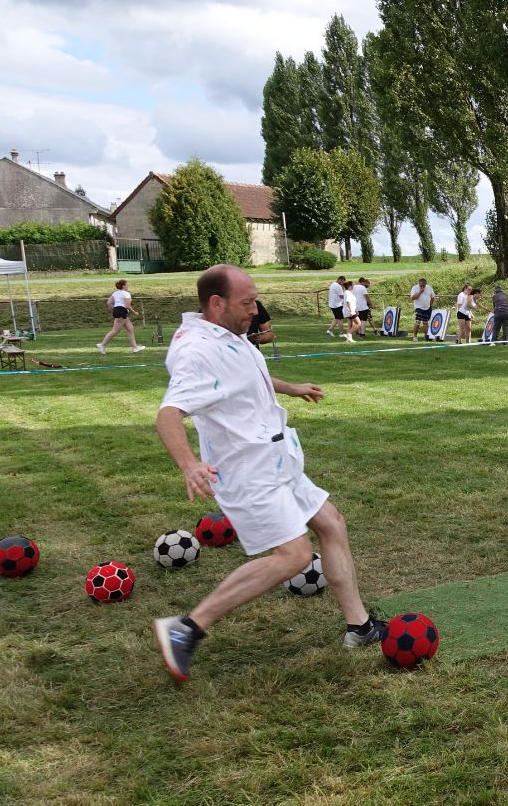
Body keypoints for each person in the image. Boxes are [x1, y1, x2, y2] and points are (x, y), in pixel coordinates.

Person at [152, 265, 386, 682]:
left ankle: (359, 628)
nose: (255, 310)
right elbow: (169, 414)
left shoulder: (228, 336)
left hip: (279, 460)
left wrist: (291, 387)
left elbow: (245, 376)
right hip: (248, 472)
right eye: (246, 303)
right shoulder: (196, 352)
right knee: (294, 556)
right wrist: (189, 464)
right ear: (216, 303)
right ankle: (185, 628)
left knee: (331, 524)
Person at [97, 279, 145, 354]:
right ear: (123, 286)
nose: (128, 286)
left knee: (130, 328)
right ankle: (102, 345)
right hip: (122, 311)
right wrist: (134, 312)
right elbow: (127, 305)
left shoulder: (115, 293)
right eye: (127, 285)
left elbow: (109, 303)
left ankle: (135, 347)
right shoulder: (126, 294)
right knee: (115, 330)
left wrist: (115, 309)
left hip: (119, 311)